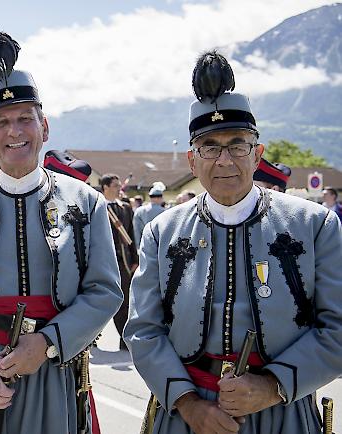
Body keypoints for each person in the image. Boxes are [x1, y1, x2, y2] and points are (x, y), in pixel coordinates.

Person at [124, 50, 342, 434]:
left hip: (282, 414)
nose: (224, 159)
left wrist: (272, 387)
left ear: (257, 154)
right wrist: (189, 405)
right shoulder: (162, 231)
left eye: (237, 144)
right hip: (185, 414)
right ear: (193, 161)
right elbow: (142, 330)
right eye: (210, 147)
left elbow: (337, 327)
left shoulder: (315, 224)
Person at [0, 31, 122, 434]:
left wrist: (46, 343)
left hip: (51, 369)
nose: (15, 132)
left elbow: (105, 292)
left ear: (44, 127)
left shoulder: (86, 203)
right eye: (1, 122)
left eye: (25, 119)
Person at [99, 174, 138, 350]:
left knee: (125, 302)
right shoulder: (97, 206)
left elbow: (131, 235)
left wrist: (135, 259)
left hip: (123, 262)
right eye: (115, 185)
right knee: (96, 303)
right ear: (105, 187)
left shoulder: (125, 208)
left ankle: (124, 339)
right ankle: (90, 340)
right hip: (101, 262)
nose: (118, 188)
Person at [133, 182, 166, 248]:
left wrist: (138, 246)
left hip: (145, 243)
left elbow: (136, 229)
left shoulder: (139, 210)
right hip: (161, 244)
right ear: (159, 197)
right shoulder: (165, 211)